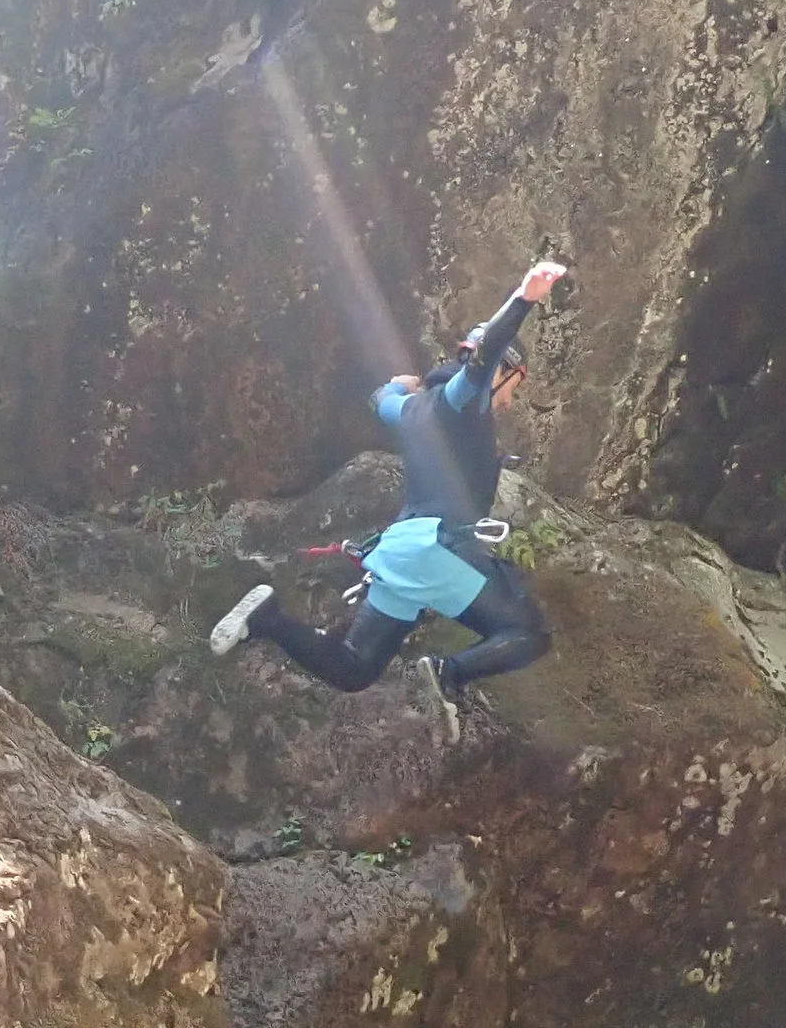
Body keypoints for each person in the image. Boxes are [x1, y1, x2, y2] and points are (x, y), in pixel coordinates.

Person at [208, 259, 567, 703]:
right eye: (516, 383)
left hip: (399, 550)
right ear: (502, 371)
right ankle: (448, 674)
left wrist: (396, 385)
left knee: (355, 668)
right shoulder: (463, 401)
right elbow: (482, 359)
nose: (511, 399)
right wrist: (523, 299)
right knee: (527, 633)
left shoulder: (414, 409)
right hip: (439, 548)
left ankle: (266, 620)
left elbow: (382, 399)